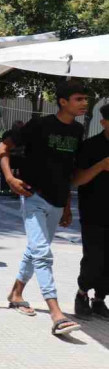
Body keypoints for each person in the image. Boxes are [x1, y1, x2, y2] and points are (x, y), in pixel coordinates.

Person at [0, 80, 88, 336]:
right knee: (42, 253)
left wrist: (68, 205)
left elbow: (69, 171)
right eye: (79, 99)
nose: (84, 103)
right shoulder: (40, 125)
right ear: (63, 101)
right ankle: (56, 314)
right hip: (33, 196)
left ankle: (16, 293)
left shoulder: (78, 132)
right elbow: (3, 147)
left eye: (85, 99)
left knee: (35, 250)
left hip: (58, 201)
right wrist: (10, 179)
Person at [73, 102, 109, 319]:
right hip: (94, 212)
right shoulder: (90, 146)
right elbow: (76, 180)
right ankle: (82, 294)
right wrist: (101, 166)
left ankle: (100, 299)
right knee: (94, 259)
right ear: (104, 123)